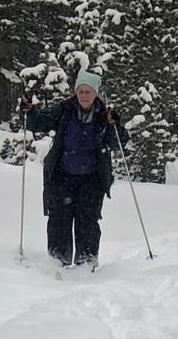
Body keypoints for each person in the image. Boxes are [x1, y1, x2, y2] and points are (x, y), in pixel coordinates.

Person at [20, 69, 129, 269]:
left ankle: (86, 263)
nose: (84, 96)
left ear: (95, 93)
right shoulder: (64, 109)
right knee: (58, 219)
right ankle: (57, 260)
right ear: (76, 92)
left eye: (88, 92)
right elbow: (38, 122)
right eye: (81, 91)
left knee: (87, 220)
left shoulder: (105, 116)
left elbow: (118, 143)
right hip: (62, 175)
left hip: (92, 178)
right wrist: (29, 111)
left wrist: (117, 126)